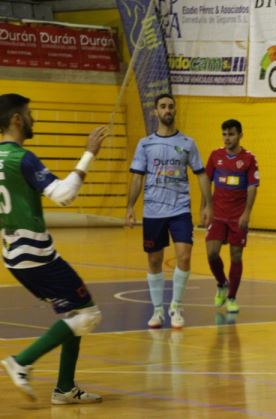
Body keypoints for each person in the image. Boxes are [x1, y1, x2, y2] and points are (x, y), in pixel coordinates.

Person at [0, 93, 107, 403]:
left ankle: (65, 388)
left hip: (13, 254)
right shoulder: (22, 157)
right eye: (29, 114)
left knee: (75, 314)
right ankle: (21, 361)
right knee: (89, 316)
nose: (34, 119)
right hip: (35, 254)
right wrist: (89, 154)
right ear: (17, 120)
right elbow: (63, 195)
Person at [126, 93, 212, 329]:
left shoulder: (187, 143)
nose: (167, 110)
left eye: (170, 106)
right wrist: (130, 206)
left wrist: (208, 205)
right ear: (156, 111)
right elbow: (137, 177)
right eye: (162, 106)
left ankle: (175, 306)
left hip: (180, 209)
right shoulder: (145, 144)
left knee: (184, 256)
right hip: (153, 210)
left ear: (175, 111)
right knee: (154, 260)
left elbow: (202, 175)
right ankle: (157, 311)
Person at [205, 119, 259, 313]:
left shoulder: (249, 158)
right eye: (224, 134)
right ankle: (221, 283)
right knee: (211, 253)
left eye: (231, 134)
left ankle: (232, 297)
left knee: (236, 256)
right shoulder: (215, 156)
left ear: (240, 135)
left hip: (237, 217)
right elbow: (205, 181)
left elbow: (253, 186)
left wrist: (247, 212)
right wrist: (206, 207)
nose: (227, 138)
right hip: (218, 215)